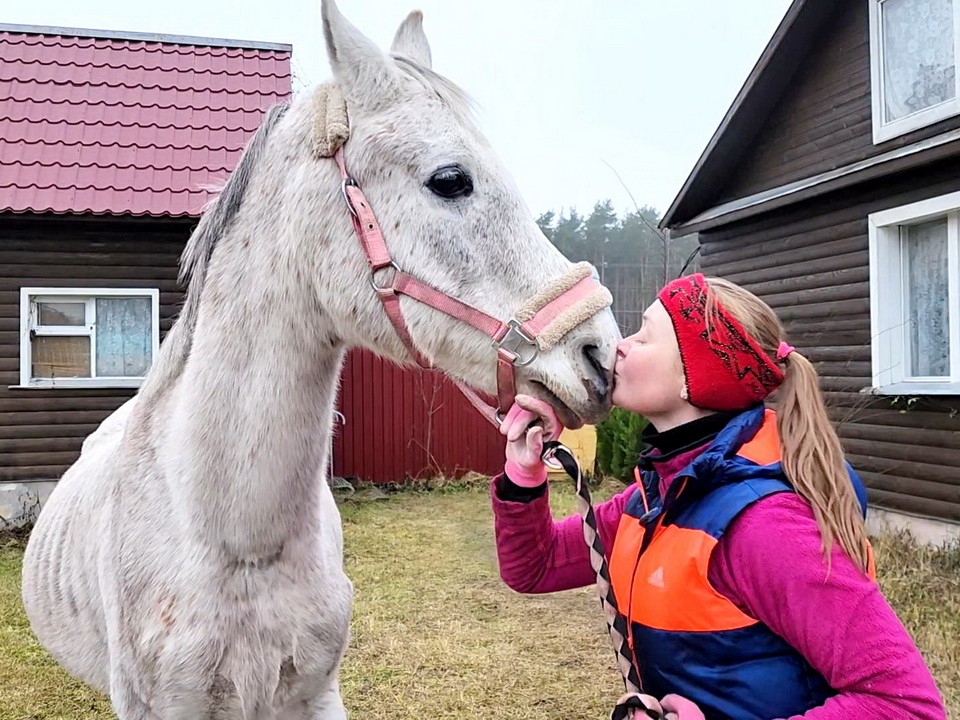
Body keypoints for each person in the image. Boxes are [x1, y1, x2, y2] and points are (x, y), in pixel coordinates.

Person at [491, 273, 946, 720]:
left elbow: (906, 704)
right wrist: (523, 472)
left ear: (698, 376)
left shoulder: (763, 526)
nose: (621, 345)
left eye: (644, 337)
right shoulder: (656, 499)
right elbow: (537, 566)